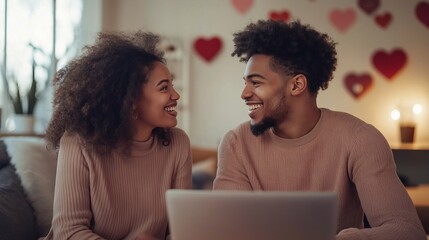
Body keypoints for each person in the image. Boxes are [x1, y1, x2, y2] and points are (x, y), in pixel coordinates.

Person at [213, 20, 426, 239]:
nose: (244, 94)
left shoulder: (360, 139)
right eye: (245, 83)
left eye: (256, 83)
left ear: (296, 85)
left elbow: (407, 230)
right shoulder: (235, 144)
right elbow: (229, 230)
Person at [42, 30, 192, 240]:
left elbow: (180, 230)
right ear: (130, 99)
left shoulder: (178, 144)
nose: (175, 95)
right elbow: (69, 232)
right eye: (164, 88)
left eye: (172, 85)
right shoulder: (78, 143)